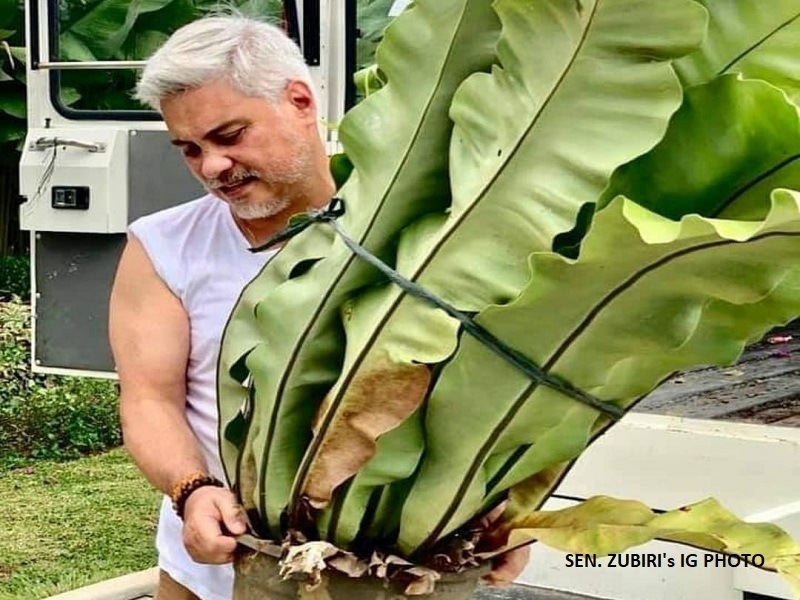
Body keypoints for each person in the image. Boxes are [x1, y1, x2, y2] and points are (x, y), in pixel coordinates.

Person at [109, 14, 528, 600]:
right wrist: (191, 490)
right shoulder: (163, 245)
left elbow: (484, 391)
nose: (211, 167)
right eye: (189, 149)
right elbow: (149, 399)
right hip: (213, 566)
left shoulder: (422, 235)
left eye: (229, 136)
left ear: (300, 102)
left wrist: (500, 504)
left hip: (391, 574)